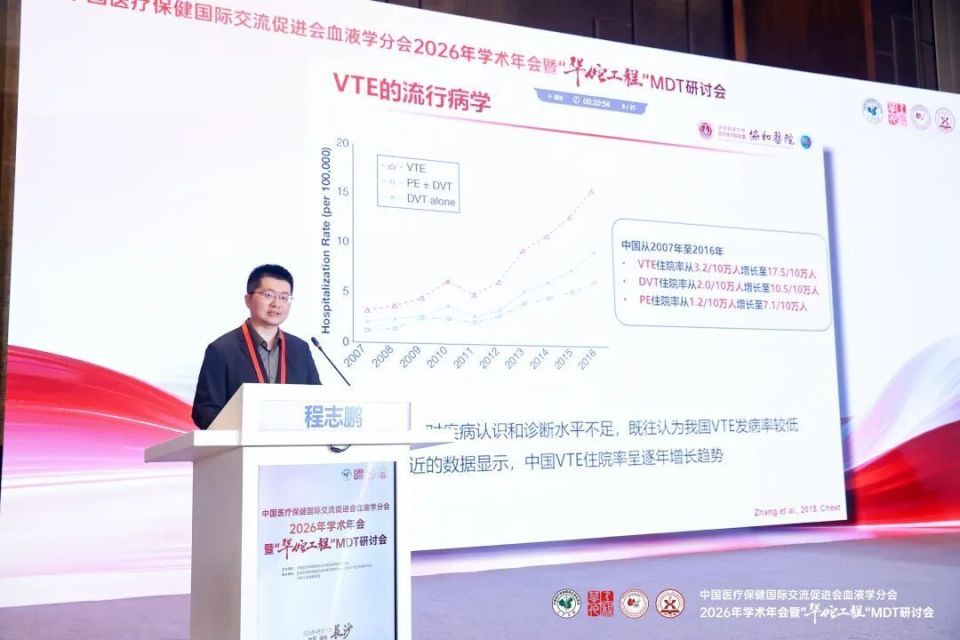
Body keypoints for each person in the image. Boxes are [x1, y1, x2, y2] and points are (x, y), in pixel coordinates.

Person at [192, 264, 321, 429]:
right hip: (242, 443)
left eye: (284, 297)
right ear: (248, 299)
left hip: (291, 443)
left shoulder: (300, 349)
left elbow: (317, 402)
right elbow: (204, 412)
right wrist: (249, 428)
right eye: (269, 295)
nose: (276, 303)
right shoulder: (221, 350)